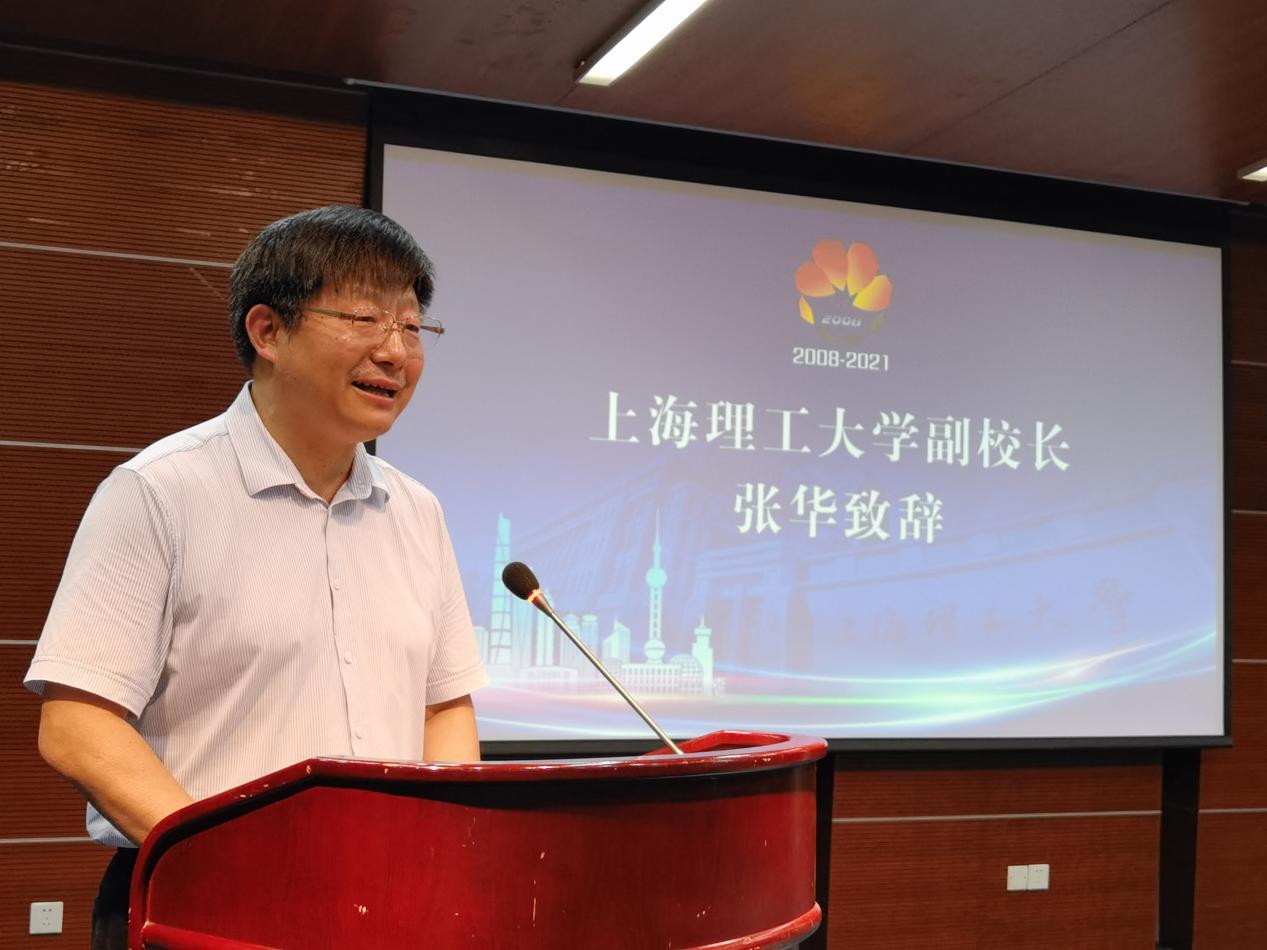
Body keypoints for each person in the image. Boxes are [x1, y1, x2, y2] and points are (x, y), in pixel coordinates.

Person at [24, 205, 487, 950]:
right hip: (200, 903)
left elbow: (443, 706)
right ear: (268, 331)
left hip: (387, 903)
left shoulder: (417, 512)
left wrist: (439, 853)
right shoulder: (159, 492)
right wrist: (228, 862)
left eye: (411, 326)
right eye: (364, 319)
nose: (395, 351)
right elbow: (78, 725)